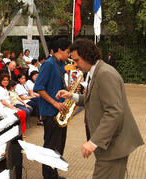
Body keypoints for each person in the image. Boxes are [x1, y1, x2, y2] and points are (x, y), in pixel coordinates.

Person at [56, 38, 144, 179]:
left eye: (77, 60)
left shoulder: (105, 74)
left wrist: (93, 142)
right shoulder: (95, 72)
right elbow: (93, 100)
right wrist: (72, 96)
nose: (76, 65)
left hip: (113, 146)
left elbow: (114, 112)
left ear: (87, 56)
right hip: (108, 145)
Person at [33, 38, 71, 179]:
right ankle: (48, 176)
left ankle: (53, 173)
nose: (69, 55)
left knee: (58, 147)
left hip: (60, 112)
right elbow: (38, 88)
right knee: (50, 147)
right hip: (51, 112)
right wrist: (55, 103)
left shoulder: (61, 64)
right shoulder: (48, 64)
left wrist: (69, 91)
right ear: (60, 50)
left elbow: (57, 85)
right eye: (68, 52)